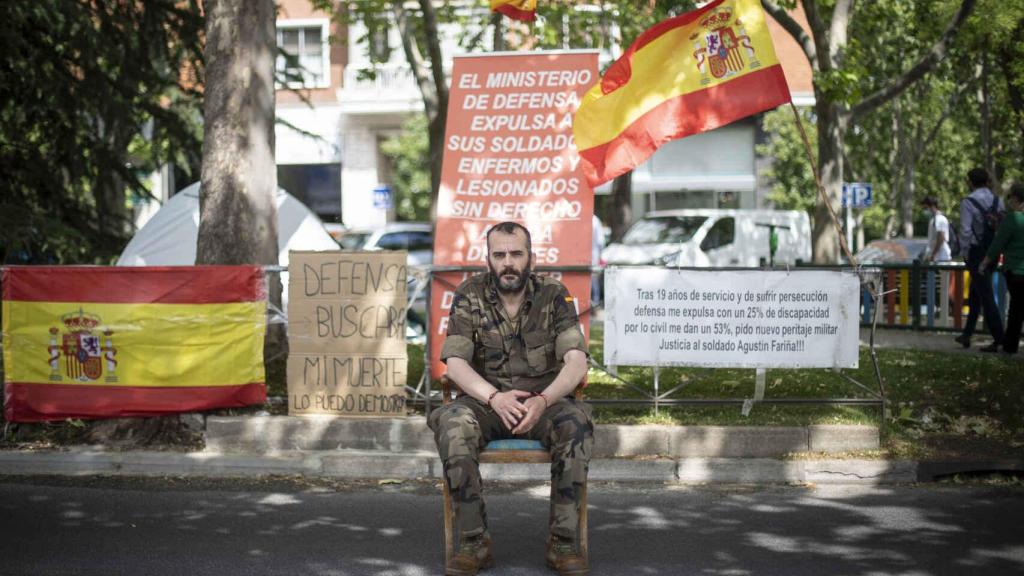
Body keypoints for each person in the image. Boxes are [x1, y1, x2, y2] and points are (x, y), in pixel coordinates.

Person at [429, 221, 592, 576]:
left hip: (542, 403)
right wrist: (494, 398)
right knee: (453, 424)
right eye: (499, 254)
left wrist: (545, 400)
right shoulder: (469, 294)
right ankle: (474, 542)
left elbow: (576, 360)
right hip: (486, 405)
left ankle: (563, 543)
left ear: (530, 256)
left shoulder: (554, 294)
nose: (508, 263)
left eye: (516, 254)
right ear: (488, 257)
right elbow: (455, 363)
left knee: (576, 424)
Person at [955, 168, 1005, 352]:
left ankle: (1000, 338)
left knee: (986, 296)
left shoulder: (968, 202)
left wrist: (965, 253)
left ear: (970, 181)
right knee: (977, 292)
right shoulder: (997, 201)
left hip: (976, 253)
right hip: (993, 251)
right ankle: (967, 335)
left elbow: (966, 231)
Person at [979, 183, 1024, 354]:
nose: (1009, 201)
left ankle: (1010, 346)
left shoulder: (1012, 219)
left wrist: (983, 263)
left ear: (1016, 199)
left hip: (1016, 271)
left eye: (1010, 198)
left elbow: (997, 245)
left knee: (1016, 310)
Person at [921, 196, 951, 262]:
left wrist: (933, 255)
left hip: (941, 257)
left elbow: (941, 237)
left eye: (926, 208)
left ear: (933, 206)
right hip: (936, 258)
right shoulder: (934, 219)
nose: (925, 210)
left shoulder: (939, 219)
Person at [591, 213, 605, 305]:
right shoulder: (595, 220)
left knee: (592, 279)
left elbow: (600, 241)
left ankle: (595, 301)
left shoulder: (594, 220)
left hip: (593, 253)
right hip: (594, 254)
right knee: (593, 279)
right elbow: (601, 241)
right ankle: (595, 302)